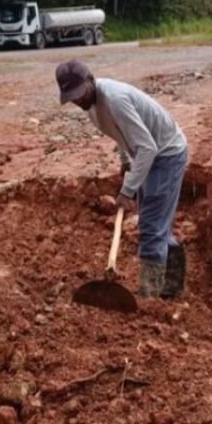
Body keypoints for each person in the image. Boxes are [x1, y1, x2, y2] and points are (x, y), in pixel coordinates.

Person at [56, 60, 188, 299]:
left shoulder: (115, 99)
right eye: (72, 97)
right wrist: (127, 162)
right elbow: (121, 133)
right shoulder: (93, 105)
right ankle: (173, 284)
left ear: (91, 80)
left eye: (79, 93)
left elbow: (148, 147)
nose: (77, 101)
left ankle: (151, 295)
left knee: (151, 228)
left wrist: (127, 190)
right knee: (155, 223)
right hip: (147, 156)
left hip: (166, 155)